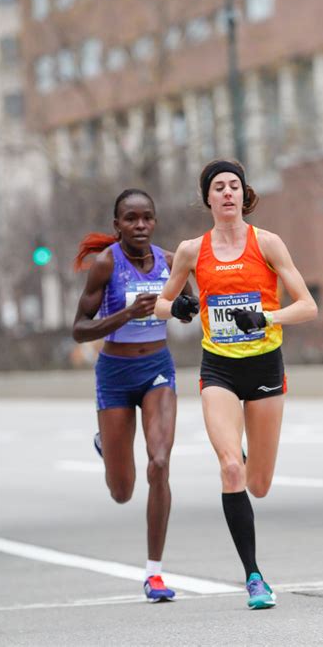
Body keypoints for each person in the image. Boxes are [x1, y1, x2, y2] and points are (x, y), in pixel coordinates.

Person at [155, 160, 318, 610]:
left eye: (234, 187)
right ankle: (254, 576)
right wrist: (183, 307)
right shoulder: (192, 250)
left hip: (265, 368)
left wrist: (266, 317)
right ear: (207, 197)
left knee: (258, 483)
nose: (227, 193)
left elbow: (307, 307)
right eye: (218, 187)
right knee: (230, 468)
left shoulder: (267, 243)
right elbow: (161, 306)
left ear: (244, 196)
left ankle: (245, 460)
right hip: (219, 370)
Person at [72, 188, 194, 603]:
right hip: (115, 374)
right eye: (131, 219)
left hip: (157, 368)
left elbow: (188, 303)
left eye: (147, 218)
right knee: (121, 491)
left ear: (155, 221)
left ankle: (154, 573)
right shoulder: (106, 264)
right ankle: (107, 444)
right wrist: (125, 313)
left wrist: (186, 306)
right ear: (117, 225)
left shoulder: (171, 261)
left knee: (159, 464)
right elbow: (78, 328)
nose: (140, 226)